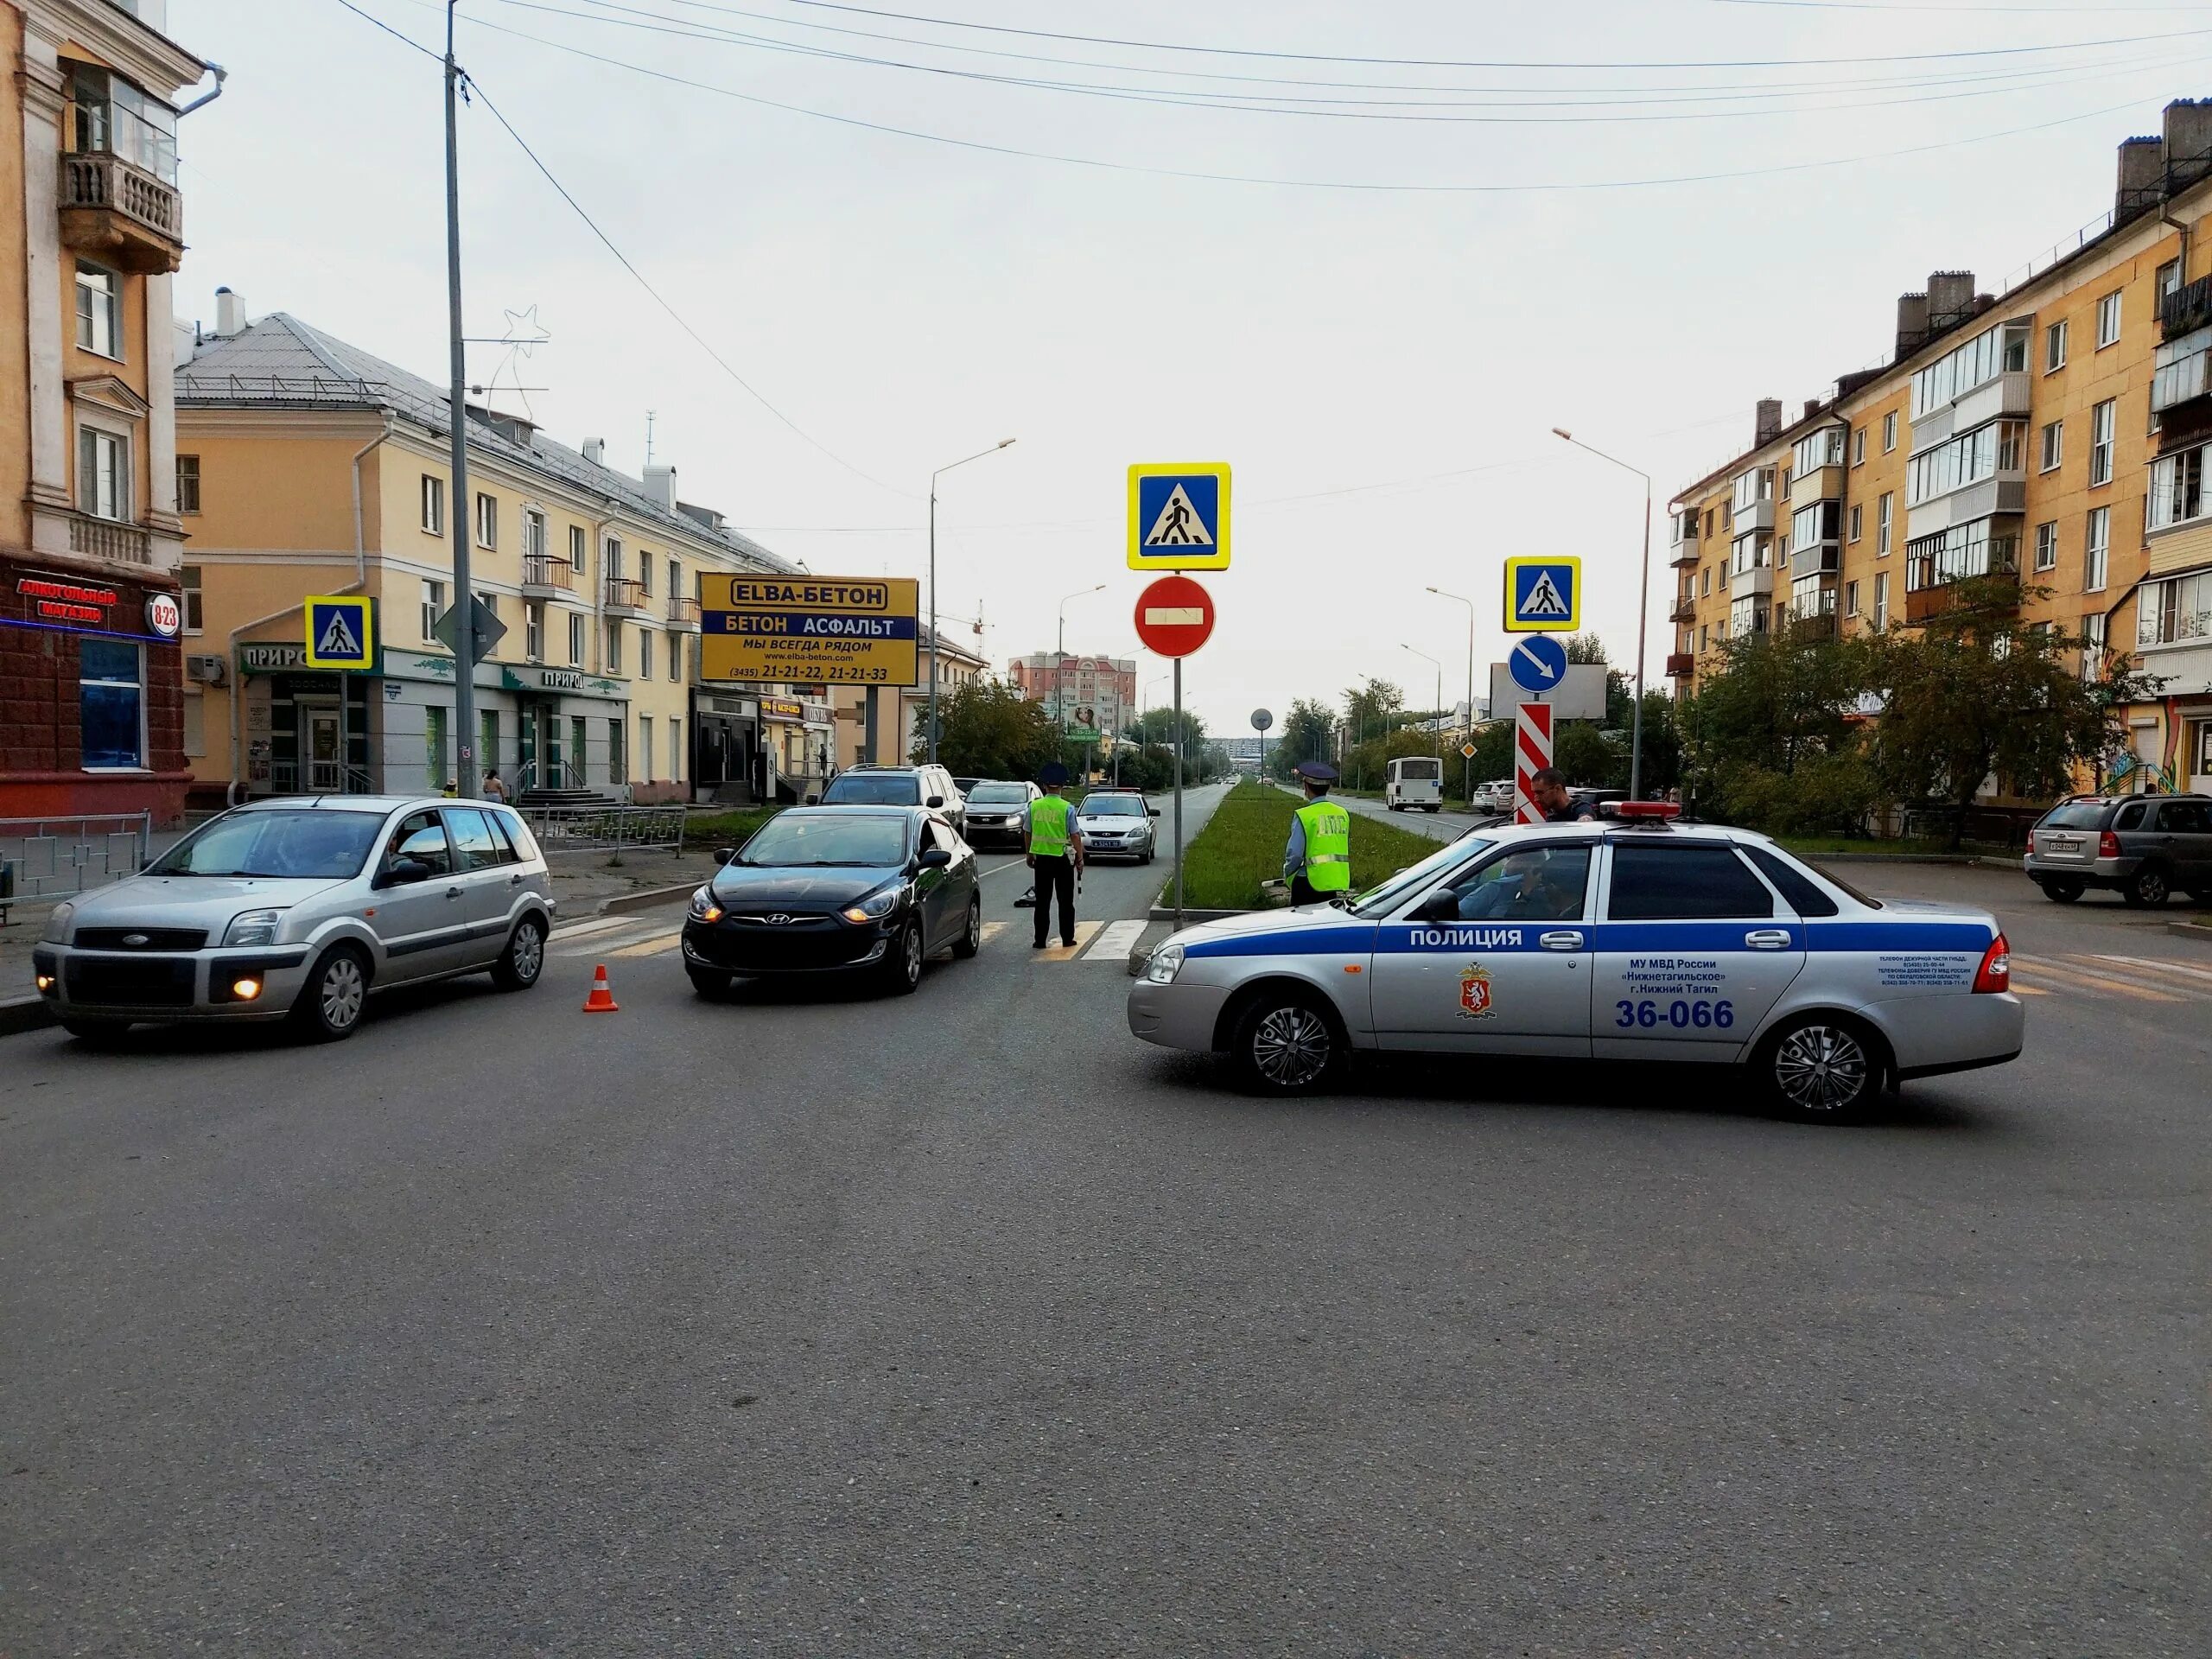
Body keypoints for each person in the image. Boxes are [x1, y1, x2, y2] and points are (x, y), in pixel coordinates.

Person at [1026, 762, 1084, 948]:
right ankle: (1067, 939)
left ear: (1044, 785)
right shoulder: (1067, 808)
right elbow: (1075, 835)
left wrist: (1029, 854)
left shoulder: (1034, 807)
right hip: (1063, 860)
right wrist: (1080, 859)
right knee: (1065, 901)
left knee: (1042, 902)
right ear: (1062, 786)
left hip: (1041, 860)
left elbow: (1027, 831)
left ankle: (1040, 940)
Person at [1283, 761, 1351, 905]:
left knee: (1304, 925)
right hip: (1333, 882)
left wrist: (1287, 873)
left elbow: (1294, 854)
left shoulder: (1304, 815)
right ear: (1329, 787)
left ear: (1306, 787)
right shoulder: (1342, 813)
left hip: (1308, 882)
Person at [1528, 766, 1595, 823]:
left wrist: (1585, 819)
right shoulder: (1552, 813)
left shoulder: (1581, 809)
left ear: (1557, 789)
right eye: (1535, 793)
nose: (1536, 799)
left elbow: (1586, 819)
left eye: (1540, 793)